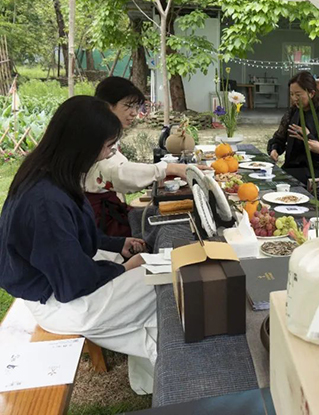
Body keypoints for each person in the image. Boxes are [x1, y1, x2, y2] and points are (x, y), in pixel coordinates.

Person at [0, 96, 157, 394]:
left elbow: (76, 236)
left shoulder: (51, 175)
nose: (110, 153)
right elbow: (73, 282)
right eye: (108, 146)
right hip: (59, 303)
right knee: (162, 284)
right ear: (83, 144)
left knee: (159, 284)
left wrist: (118, 243)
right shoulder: (46, 201)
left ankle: (155, 381)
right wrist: (123, 269)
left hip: (59, 285)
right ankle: (172, 377)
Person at [85, 77, 192, 236]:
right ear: (107, 106)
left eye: (136, 106)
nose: (134, 113)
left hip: (107, 206)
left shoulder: (107, 132)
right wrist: (166, 169)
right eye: (128, 106)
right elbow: (117, 174)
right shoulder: (94, 135)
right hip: (97, 218)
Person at [267, 71, 319, 184]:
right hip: (290, 167)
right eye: (291, 94)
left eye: (298, 94)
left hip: (314, 172)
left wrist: (308, 136)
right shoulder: (292, 113)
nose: (294, 98)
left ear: (311, 93)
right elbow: (279, 138)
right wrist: (274, 149)